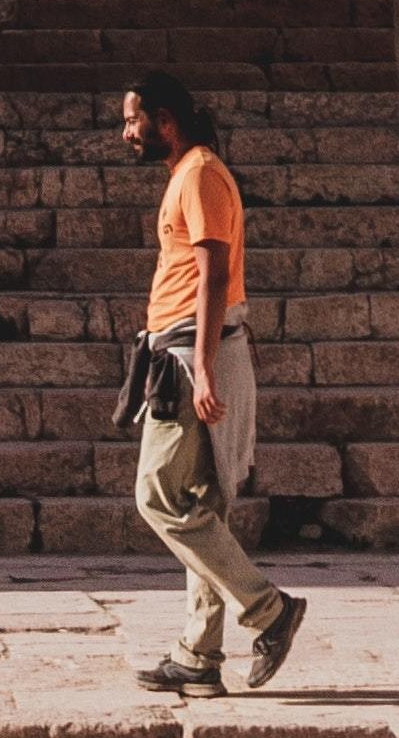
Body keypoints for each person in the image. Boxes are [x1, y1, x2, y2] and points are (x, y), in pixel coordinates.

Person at [117, 69, 307, 694]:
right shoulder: (189, 173)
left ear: (163, 120)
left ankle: (271, 610)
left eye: (132, 119)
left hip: (195, 355)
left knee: (157, 496)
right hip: (186, 352)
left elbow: (214, 272)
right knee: (202, 506)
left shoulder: (199, 173)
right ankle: (198, 658)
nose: (127, 132)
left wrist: (200, 367)